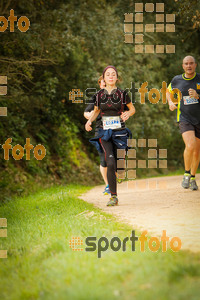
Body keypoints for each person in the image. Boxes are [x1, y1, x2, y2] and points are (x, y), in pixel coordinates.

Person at [85, 66, 135, 206]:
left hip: (120, 132)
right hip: (104, 132)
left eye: (113, 74)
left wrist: (128, 113)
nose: (111, 76)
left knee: (119, 165)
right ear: (104, 78)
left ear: (117, 78)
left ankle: (120, 170)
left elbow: (132, 109)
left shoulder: (122, 94)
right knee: (110, 162)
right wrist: (89, 121)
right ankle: (113, 196)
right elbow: (96, 111)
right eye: (108, 74)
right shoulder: (99, 95)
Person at [167, 56, 200, 190]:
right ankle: (186, 173)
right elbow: (168, 91)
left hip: (199, 119)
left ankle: (193, 177)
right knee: (190, 145)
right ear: (183, 66)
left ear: (195, 65)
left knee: (197, 152)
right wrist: (170, 102)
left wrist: (198, 96)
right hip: (184, 117)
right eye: (186, 64)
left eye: (191, 63)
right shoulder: (176, 80)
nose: (189, 66)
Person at [84, 77, 110, 195]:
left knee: (113, 158)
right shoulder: (96, 97)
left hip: (115, 128)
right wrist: (89, 118)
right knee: (103, 159)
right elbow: (86, 112)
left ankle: (113, 180)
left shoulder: (117, 94)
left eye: (106, 81)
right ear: (100, 84)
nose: (104, 83)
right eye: (102, 82)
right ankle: (108, 185)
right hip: (100, 129)